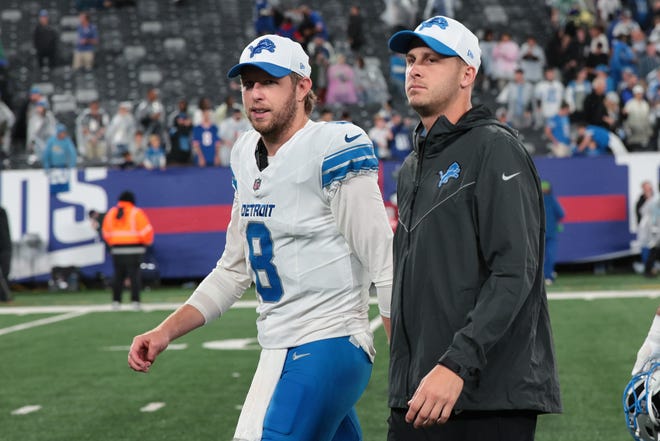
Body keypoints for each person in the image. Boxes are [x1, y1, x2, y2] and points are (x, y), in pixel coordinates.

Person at [127, 34, 393, 441]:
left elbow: (383, 261)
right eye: (247, 84)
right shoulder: (244, 152)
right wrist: (164, 332)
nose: (255, 94)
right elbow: (233, 270)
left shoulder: (332, 147)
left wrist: (407, 360)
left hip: (330, 340)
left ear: (303, 86)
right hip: (278, 344)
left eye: (268, 82)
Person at [386, 16, 562, 440]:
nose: (415, 68)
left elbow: (514, 272)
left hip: (483, 398)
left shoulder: (495, 148)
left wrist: (455, 364)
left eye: (432, 59)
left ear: (468, 73)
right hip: (416, 396)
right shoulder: (412, 166)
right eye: (411, 59)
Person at [102, 190, 154, 310]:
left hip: (117, 250)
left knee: (118, 275)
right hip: (135, 249)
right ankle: (135, 301)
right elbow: (146, 231)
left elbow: (105, 232)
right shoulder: (136, 213)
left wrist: (113, 243)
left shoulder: (111, 213)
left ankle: (116, 301)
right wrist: (146, 242)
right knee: (134, 275)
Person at [542, 180, 565, 285]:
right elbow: (561, 214)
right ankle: (548, 275)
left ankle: (546, 275)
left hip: (539, 233)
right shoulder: (551, 199)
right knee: (550, 255)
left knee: (539, 256)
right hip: (550, 233)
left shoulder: (535, 199)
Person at [0, 205, 11, 303]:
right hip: (5, 246)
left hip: (5, 246)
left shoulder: (2, 211)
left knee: (5, 272)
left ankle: (5, 296)